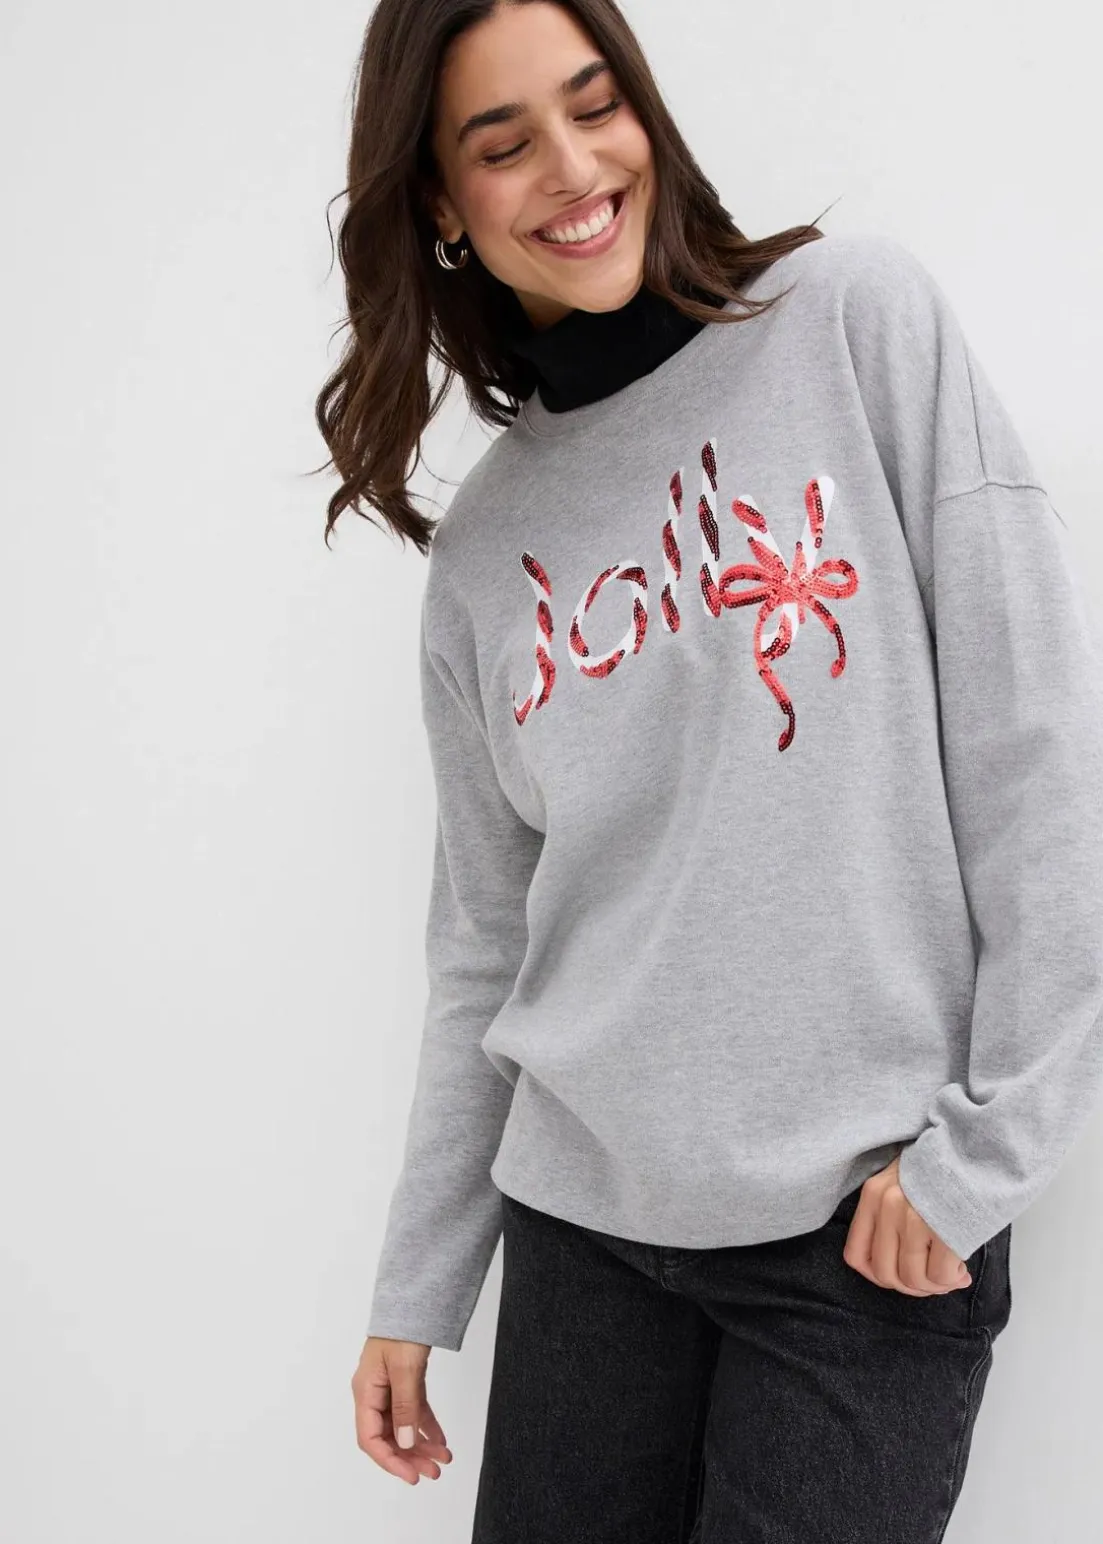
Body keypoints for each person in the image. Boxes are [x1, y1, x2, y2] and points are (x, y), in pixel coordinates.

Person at [317, 1, 1103, 1538]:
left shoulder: (854, 324)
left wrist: (984, 1154)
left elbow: (1033, 763)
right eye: (502, 144)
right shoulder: (482, 554)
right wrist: (420, 1282)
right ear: (442, 205)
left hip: (861, 1232)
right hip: (583, 1238)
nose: (571, 167)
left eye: (593, 103)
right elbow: (484, 951)